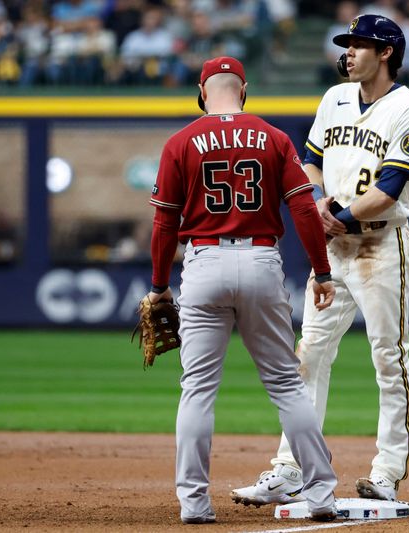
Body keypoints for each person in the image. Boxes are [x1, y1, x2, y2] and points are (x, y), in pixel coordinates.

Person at [231, 13, 409, 506]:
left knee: (389, 357)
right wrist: (315, 200)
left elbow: (389, 187)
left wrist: (334, 213)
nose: (349, 52)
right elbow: (311, 160)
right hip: (332, 247)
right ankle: (292, 466)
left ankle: (386, 472)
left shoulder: (408, 109)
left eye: (360, 45)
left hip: (380, 245)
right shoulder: (334, 98)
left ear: (386, 53)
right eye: (348, 44)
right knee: (310, 353)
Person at [145, 56, 338, 524]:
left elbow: (164, 222)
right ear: (244, 90)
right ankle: (321, 496)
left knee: (197, 390)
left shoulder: (180, 142)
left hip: (204, 261)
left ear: (201, 91)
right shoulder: (273, 137)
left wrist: (158, 288)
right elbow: (305, 210)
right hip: (260, 260)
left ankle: (194, 504)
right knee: (287, 386)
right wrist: (322, 271)